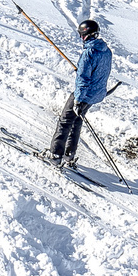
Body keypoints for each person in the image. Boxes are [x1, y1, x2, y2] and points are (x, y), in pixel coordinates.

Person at [43, 19, 113, 168]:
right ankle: (69, 154)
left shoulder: (89, 53)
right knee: (77, 121)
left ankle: (55, 155)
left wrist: (78, 100)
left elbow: (83, 79)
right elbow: (99, 72)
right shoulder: (106, 51)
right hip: (96, 95)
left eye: (81, 35)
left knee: (65, 121)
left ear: (84, 35)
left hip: (84, 95)